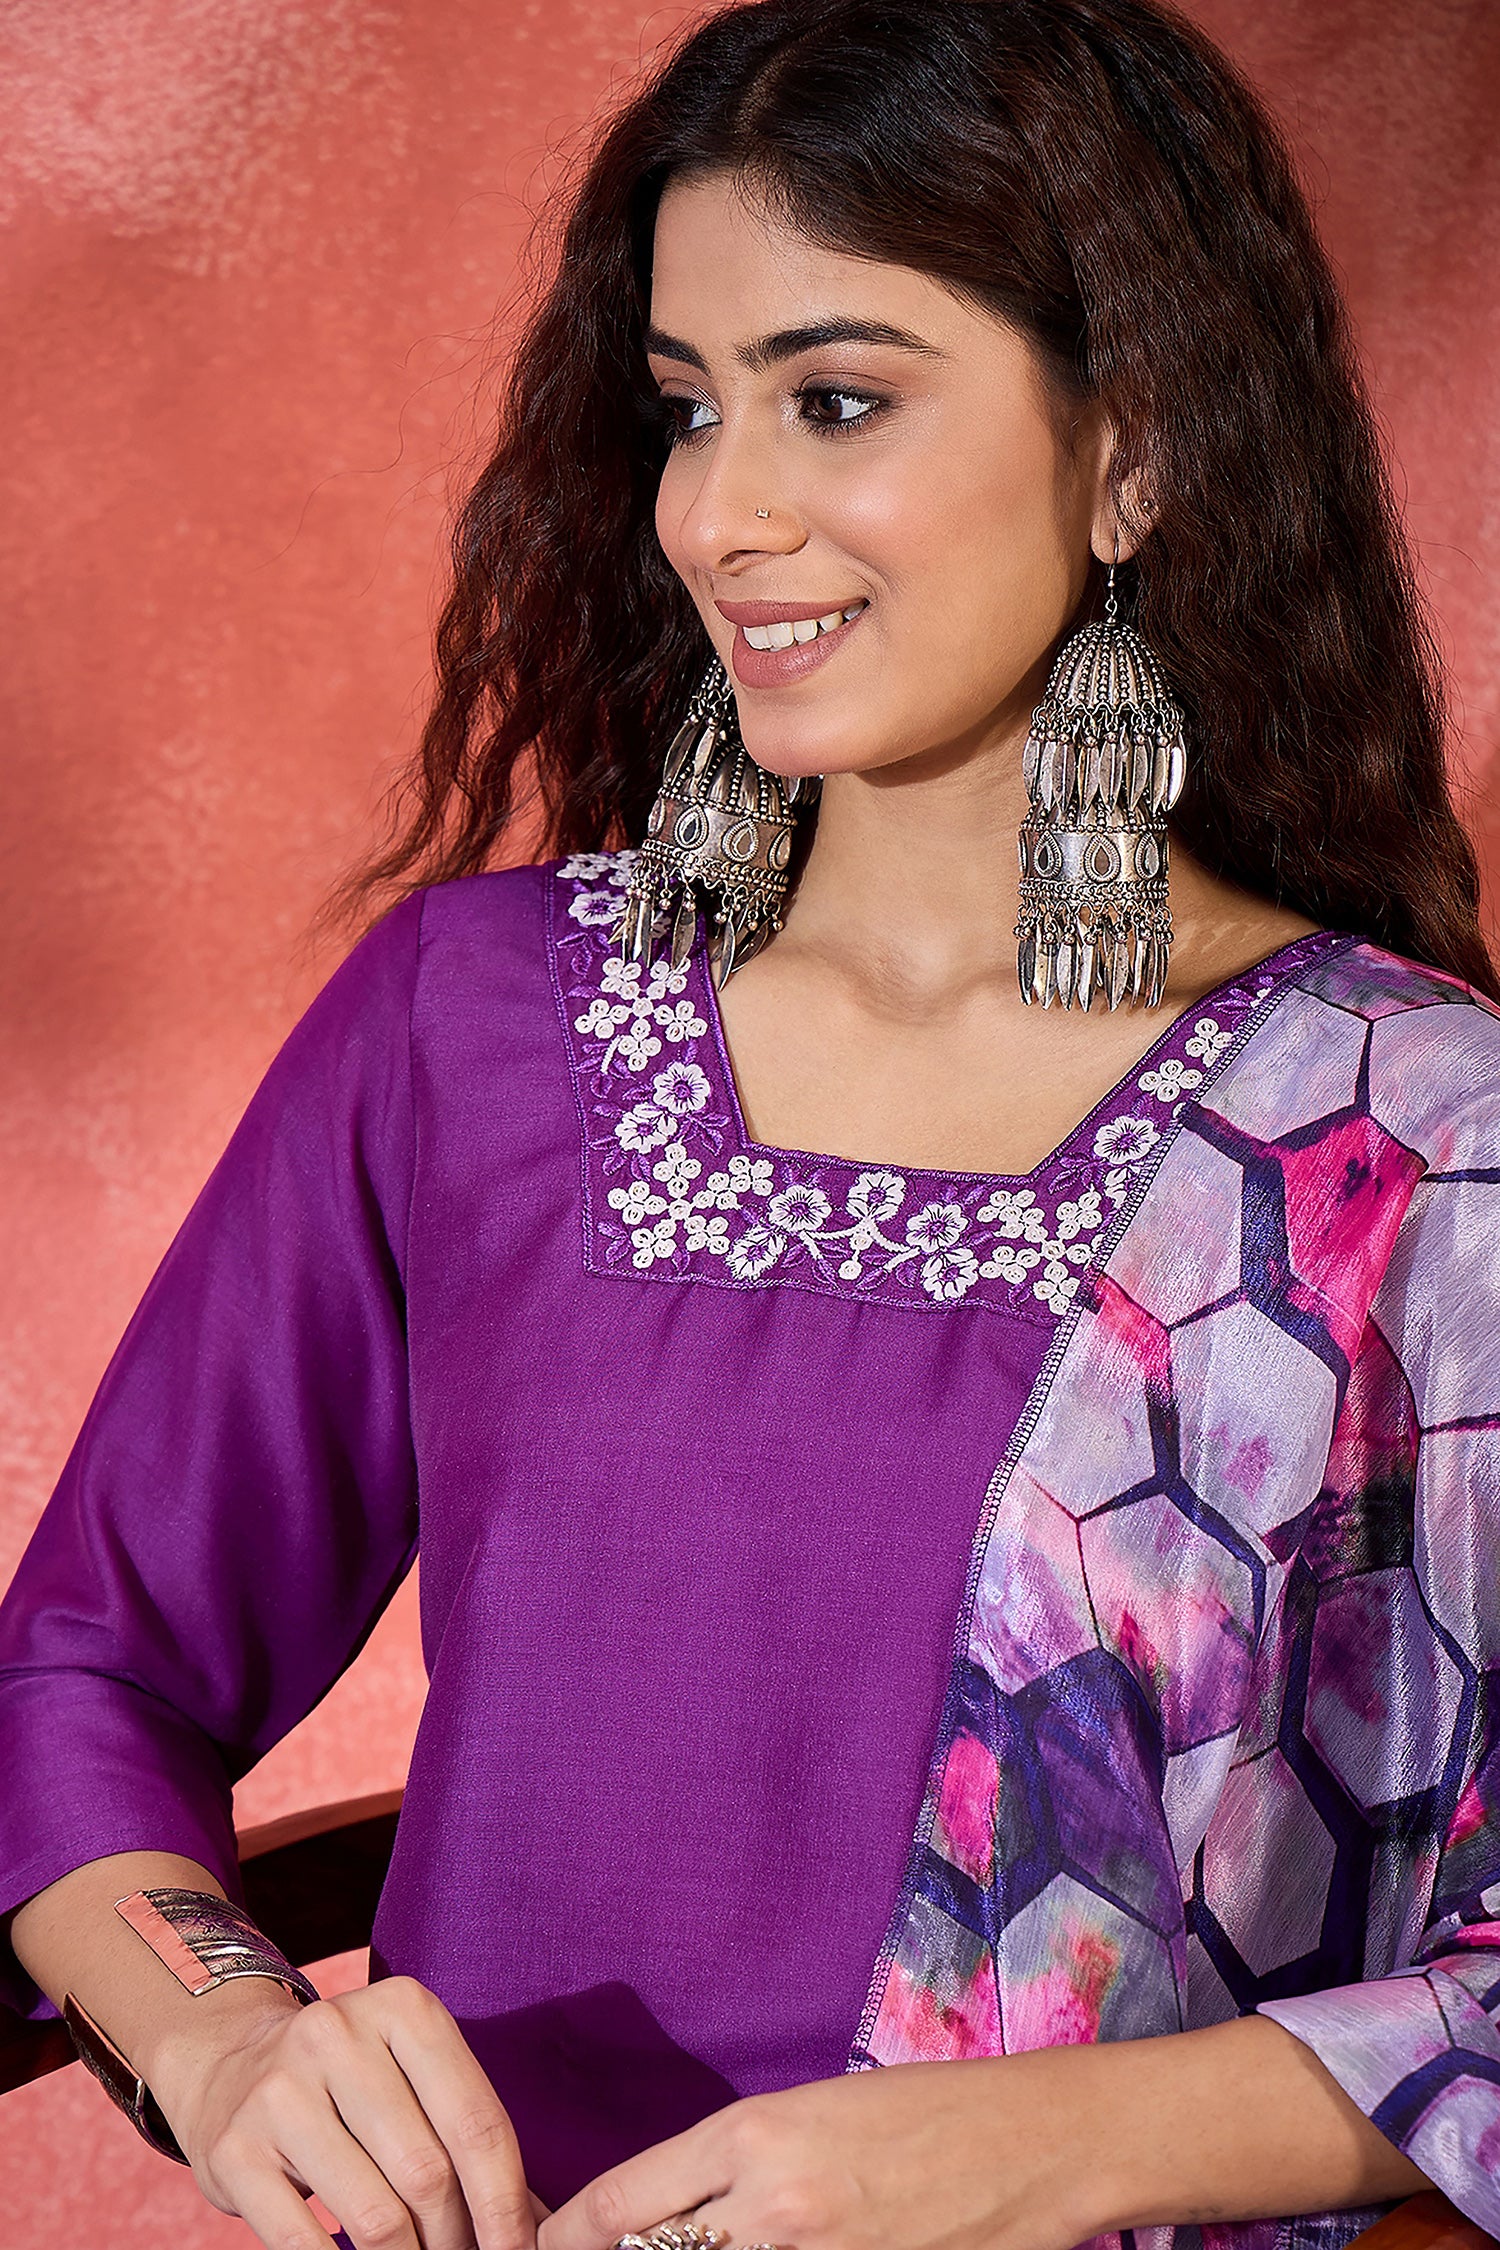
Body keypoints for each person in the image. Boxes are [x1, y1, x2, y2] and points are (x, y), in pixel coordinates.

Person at [2, 3, 1497, 2249]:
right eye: (689, 408)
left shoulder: (1400, 1145)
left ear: (1137, 451)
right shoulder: (475, 1023)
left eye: (839, 399)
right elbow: (87, 1675)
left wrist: (1028, 2145)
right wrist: (225, 2039)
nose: (722, 513)